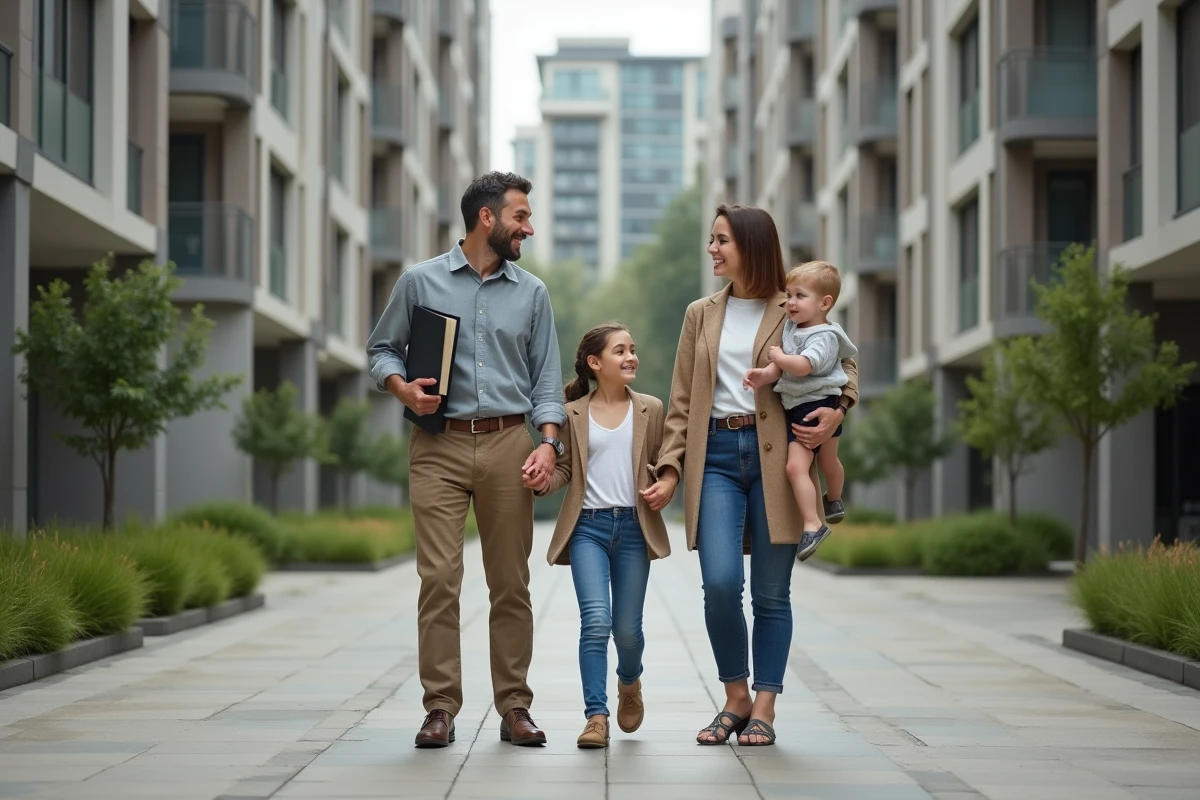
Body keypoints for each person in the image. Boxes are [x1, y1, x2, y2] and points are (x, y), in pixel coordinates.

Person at [367, 171, 567, 749]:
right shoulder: (419, 282)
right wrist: (402, 388)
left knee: (510, 584)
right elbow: (381, 349)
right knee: (439, 580)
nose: (528, 227)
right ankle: (440, 708)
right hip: (438, 447)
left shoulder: (532, 292)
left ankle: (514, 706)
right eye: (520, 217)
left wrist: (548, 444)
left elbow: (547, 379)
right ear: (488, 218)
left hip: (510, 443)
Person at [650, 205, 859, 747]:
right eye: (711, 239)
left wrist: (840, 407)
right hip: (715, 454)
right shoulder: (700, 313)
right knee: (720, 584)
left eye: (721, 240)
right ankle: (735, 695)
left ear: (751, 245)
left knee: (771, 592)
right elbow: (680, 400)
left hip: (777, 454)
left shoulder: (791, 305)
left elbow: (843, 360)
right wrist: (671, 466)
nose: (712, 249)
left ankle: (764, 705)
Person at [529, 323, 674, 749]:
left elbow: (664, 459)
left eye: (633, 349)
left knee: (628, 631)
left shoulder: (651, 408)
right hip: (587, 528)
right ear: (595, 363)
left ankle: (629, 681)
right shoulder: (572, 413)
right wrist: (543, 482)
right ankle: (596, 716)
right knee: (596, 623)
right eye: (620, 351)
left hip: (633, 528)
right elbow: (565, 471)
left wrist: (666, 482)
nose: (631, 357)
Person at [743, 261, 858, 561]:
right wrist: (764, 375)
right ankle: (813, 524)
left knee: (829, 463)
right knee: (795, 468)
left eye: (799, 296)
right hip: (796, 410)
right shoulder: (793, 327)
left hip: (822, 406)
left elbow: (803, 366)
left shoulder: (824, 336)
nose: (790, 303)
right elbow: (783, 371)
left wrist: (778, 357)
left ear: (825, 303)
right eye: (789, 295)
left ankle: (833, 499)